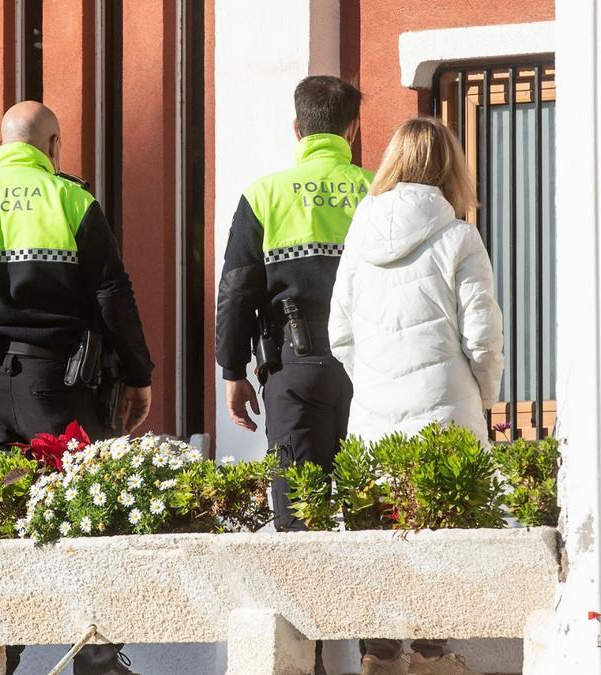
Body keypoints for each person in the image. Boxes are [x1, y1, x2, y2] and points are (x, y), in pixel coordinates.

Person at [0, 100, 153, 675]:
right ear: (54, 146)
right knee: (86, 510)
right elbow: (112, 298)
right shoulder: (72, 199)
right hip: (61, 383)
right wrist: (138, 375)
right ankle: (95, 658)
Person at [329, 116, 501, 675]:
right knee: (443, 535)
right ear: (451, 167)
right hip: (446, 408)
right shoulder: (459, 235)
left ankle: (378, 653)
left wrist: (374, 379)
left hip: (374, 410)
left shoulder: (360, 229)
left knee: (380, 532)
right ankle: (431, 655)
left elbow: (340, 331)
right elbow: (482, 336)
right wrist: (484, 394)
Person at [216, 75, 373, 532]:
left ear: (296, 128)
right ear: (353, 130)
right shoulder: (378, 190)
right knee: (373, 519)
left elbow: (236, 289)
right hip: (370, 367)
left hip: (293, 365)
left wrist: (233, 371)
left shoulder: (264, 195)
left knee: (300, 519)